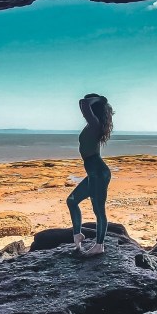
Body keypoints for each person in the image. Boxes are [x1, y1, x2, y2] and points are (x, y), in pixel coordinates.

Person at [67, 93, 114, 256]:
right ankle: (77, 234)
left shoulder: (95, 123)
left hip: (99, 173)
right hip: (93, 173)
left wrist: (100, 99)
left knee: (99, 210)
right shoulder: (92, 124)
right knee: (72, 201)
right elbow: (85, 104)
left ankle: (99, 245)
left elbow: (83, 103)